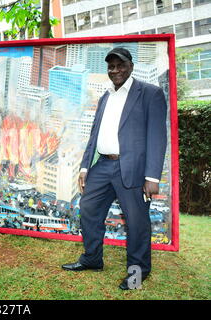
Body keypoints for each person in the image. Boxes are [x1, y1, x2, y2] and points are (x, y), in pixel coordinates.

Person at [61, 48, 167, 290]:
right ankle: (92, 259)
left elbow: (158, 137)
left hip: (133, 169)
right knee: (88, 207)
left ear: (130, 66)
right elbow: (94, 135)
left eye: (120, 65)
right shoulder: (105, 96)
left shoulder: (150, 93)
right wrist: (85, 167)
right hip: (104, 165)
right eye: (111, 67)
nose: (115, 70)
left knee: (137, 221)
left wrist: (152, 176)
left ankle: (137, 274)